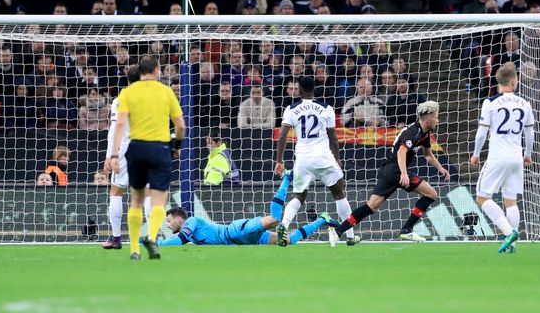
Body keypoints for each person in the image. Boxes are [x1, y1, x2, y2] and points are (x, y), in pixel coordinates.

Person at [331, 101, 450, 244]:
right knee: (431, 194)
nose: (438, 120)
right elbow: (401, 151)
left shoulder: (424, 133)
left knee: (371, 206)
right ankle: (407, 230)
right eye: (436, 117)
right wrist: (404, 174)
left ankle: (337, 231)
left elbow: (428, 155)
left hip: (389, 170)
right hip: (396, 170)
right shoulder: (414, 132)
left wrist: (440, 168)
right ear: (429, 118)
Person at [111, 56, 185, 260]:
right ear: (156, 71)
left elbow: (119, 125)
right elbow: (180, 125)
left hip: (135, 148)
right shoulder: (166, 91)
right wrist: (176, 146)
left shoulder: (127, 92)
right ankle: (152, 236)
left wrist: (114, 154)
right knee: (160, 199)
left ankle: (134, 248)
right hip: (159, 149)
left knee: (136, 200)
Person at [274, 76, 359, 246]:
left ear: (299, 90)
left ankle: (284, 224)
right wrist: (337, 159)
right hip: (323, 157)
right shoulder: (326, 108)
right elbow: (333, 138)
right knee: (339, 193)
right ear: (314, 89)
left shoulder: (291, 109)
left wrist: (279, 161)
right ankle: (350, 235)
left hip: (303, 159)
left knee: (299, 196)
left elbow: (282, 135)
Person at [159, 173, 337, 246]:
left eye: (168, 220)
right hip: (244, 242)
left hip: (236, 231)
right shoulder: (190, 233)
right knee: (288, 240)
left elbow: (178, 241)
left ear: (179, 219)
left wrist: (156, 244)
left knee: (275, 219)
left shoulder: (191, 221)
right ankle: (323, 219)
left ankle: (287, 178)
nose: (168, 225)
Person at [469, 62, 534, 253]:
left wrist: (475, 154)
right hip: (516, 158)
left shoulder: (490, 102)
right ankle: (511, 245)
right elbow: (530, 133)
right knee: (511, 201)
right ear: (514, 82)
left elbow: (482, 132)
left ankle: (509, 234)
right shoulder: (524, 104)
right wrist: (527, 154)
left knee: (482, 198)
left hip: (497, 156)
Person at [102, 65, 153, 250]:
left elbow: (115, 129)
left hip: (126, 149)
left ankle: (116, 239)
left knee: (116, 191)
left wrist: (110, 155)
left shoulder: (121, 99)